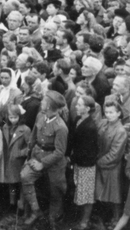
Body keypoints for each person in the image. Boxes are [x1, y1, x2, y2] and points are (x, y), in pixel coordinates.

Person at [20, 90, 69, 228]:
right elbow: (33, 138)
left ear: (49, 106)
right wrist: (29, 157)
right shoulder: (40, 116)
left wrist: (42, 164)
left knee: (56, 192)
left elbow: (60, 152)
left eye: (44, 101)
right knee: (25, 176)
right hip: (37, 156)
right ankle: (36, 211)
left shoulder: (60, 127)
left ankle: (54, 221)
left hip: (54, 163)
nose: (41, 102)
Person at [69, 95, 98, 229]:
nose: (76, 106)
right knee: (79, 190)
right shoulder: (77, 119)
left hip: (86, 164)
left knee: (86, 193)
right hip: (78, 162)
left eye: (79, 105)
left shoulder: (90, 126)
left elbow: (86, 149)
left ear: (87, 109)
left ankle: (84, 221)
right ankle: (80, 218)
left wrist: (71, 158)